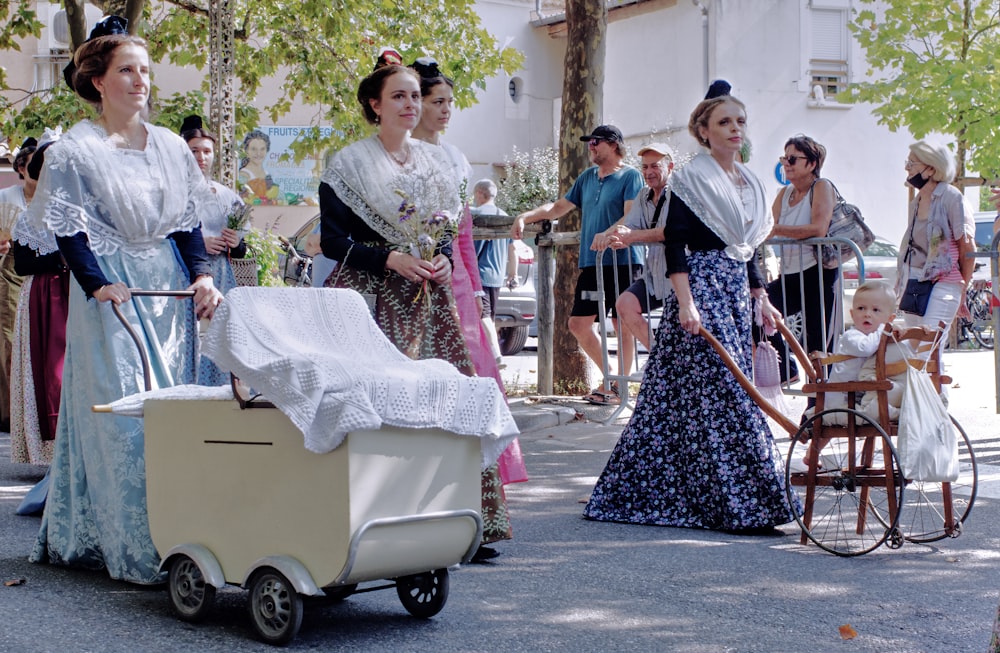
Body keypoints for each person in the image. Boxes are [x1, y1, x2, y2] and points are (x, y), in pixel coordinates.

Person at [24, 16, 223, 584]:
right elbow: (69, 229)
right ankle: (135, 543)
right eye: (127, 71)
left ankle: (179, 529)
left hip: (165, 289)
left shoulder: (170, 147)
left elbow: (187, 221)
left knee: (170, 407)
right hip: (110, 289)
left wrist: (203, 275)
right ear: (97, 82)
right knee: (121, 413)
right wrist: (96, 284)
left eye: (145, 71)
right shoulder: (74, 151)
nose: (140, 81)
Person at [319, 49, 512, 562]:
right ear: (373, 105)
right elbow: (333, 242)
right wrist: (390, 259)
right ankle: (375, 523)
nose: (410, 104)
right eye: (398, 96)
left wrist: (446, 260)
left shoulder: (440, 162)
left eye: (414, 96)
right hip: (370, 298)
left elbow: (445, 233)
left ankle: (466, 523)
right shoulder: (348, 165)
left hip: (431, 297)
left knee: (450, 404)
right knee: (383, 410)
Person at [583, 87, 796, 535]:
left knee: (683, 398)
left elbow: (747, 249)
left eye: (739, 121)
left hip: (734, 290)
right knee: (722, 391)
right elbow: (675, 240)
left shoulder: (750, 182)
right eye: (724, 122)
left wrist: (761, 296)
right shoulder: (693, 178)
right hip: (698, 289)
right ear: (703, 131)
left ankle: (736, 496)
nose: (735, 129)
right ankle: (733, 500)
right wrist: (685, 302)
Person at [512, 124, 643, 405]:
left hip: (623, 261)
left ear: (614, 144)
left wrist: (609, 233)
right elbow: (558, 207)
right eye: (589, 142)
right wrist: (525, 216)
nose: (590, 147)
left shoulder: (631, 176)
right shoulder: (586, 178)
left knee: (622, 322)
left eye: (596, 142)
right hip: (592, 264)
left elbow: (631, 217)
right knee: (579, 324)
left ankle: (620, 387)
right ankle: (611, 380)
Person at [9, 138, 70, 466]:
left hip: (81, 294)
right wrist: (62, 259)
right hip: (45, 299)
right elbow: (22, 264)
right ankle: (47, 448)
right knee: (49, 369)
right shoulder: (31, 217)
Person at [760, 135, 838, 381]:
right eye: (784, 158)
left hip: (818, 273)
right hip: (791, 274)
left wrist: (777, 230)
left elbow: (818, 228)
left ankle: (820, 407)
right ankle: (787, 370)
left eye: (793, 158)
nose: (787, 163)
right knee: (758, 313)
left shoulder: (822, 187)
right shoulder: (784, 193)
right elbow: (766, 227)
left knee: (819, 344)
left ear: (812, 164)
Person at [180, 115, 247, 385]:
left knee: (219, 334)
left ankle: (220, 386)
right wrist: (201, 243)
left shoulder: (226, 195)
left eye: (207, 151)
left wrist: (235, 242)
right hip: (187, 273)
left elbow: (242, 249)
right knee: (190, 334)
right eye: (194, 150)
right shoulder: (175, 191)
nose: (201, 157)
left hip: (221, 274)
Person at [897, 139, 976, 348]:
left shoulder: (951, 197)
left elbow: (967, 248)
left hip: (944, 282)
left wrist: (962, 288)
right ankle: (931, 383)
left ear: (931, 169)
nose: (906, 167)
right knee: (914, 352)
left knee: (926, 352)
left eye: (912, 163)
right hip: (915, 283)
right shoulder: (917, 201)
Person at [598, 142, 676, 353]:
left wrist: (631, 236)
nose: (649, 172)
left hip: (681, 277)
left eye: (655, 166)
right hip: (654, 276)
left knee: (680, 332)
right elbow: (629, 227)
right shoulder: (643, 195)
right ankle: (659, 360)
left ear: (670, 167)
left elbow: (672, 232)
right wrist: (614, 237)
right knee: (624, 305)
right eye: (645, 167)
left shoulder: (681, 194)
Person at [0, 137, 35, 431]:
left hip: (47, 272)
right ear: (21, 167)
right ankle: (8, 411)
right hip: (11, 270)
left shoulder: (55, 197)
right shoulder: (6, 197)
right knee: (10, 340)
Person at [471, 179, 510, 364]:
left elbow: (472, 248)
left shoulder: (476, 215)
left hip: (481, 274)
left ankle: (496, 355)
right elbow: (513, 249)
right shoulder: (505, 215)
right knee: (489, 317)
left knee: (483, 315)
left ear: (479, 193)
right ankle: (487, 355)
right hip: (498, 275)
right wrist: (512, 274)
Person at [238, 129, 283, 205]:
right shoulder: (244, 174)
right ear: (246, 151)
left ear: (267, 150)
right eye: (253, 149)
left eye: (262, 149)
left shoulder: (266, 173)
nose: (258, 153)